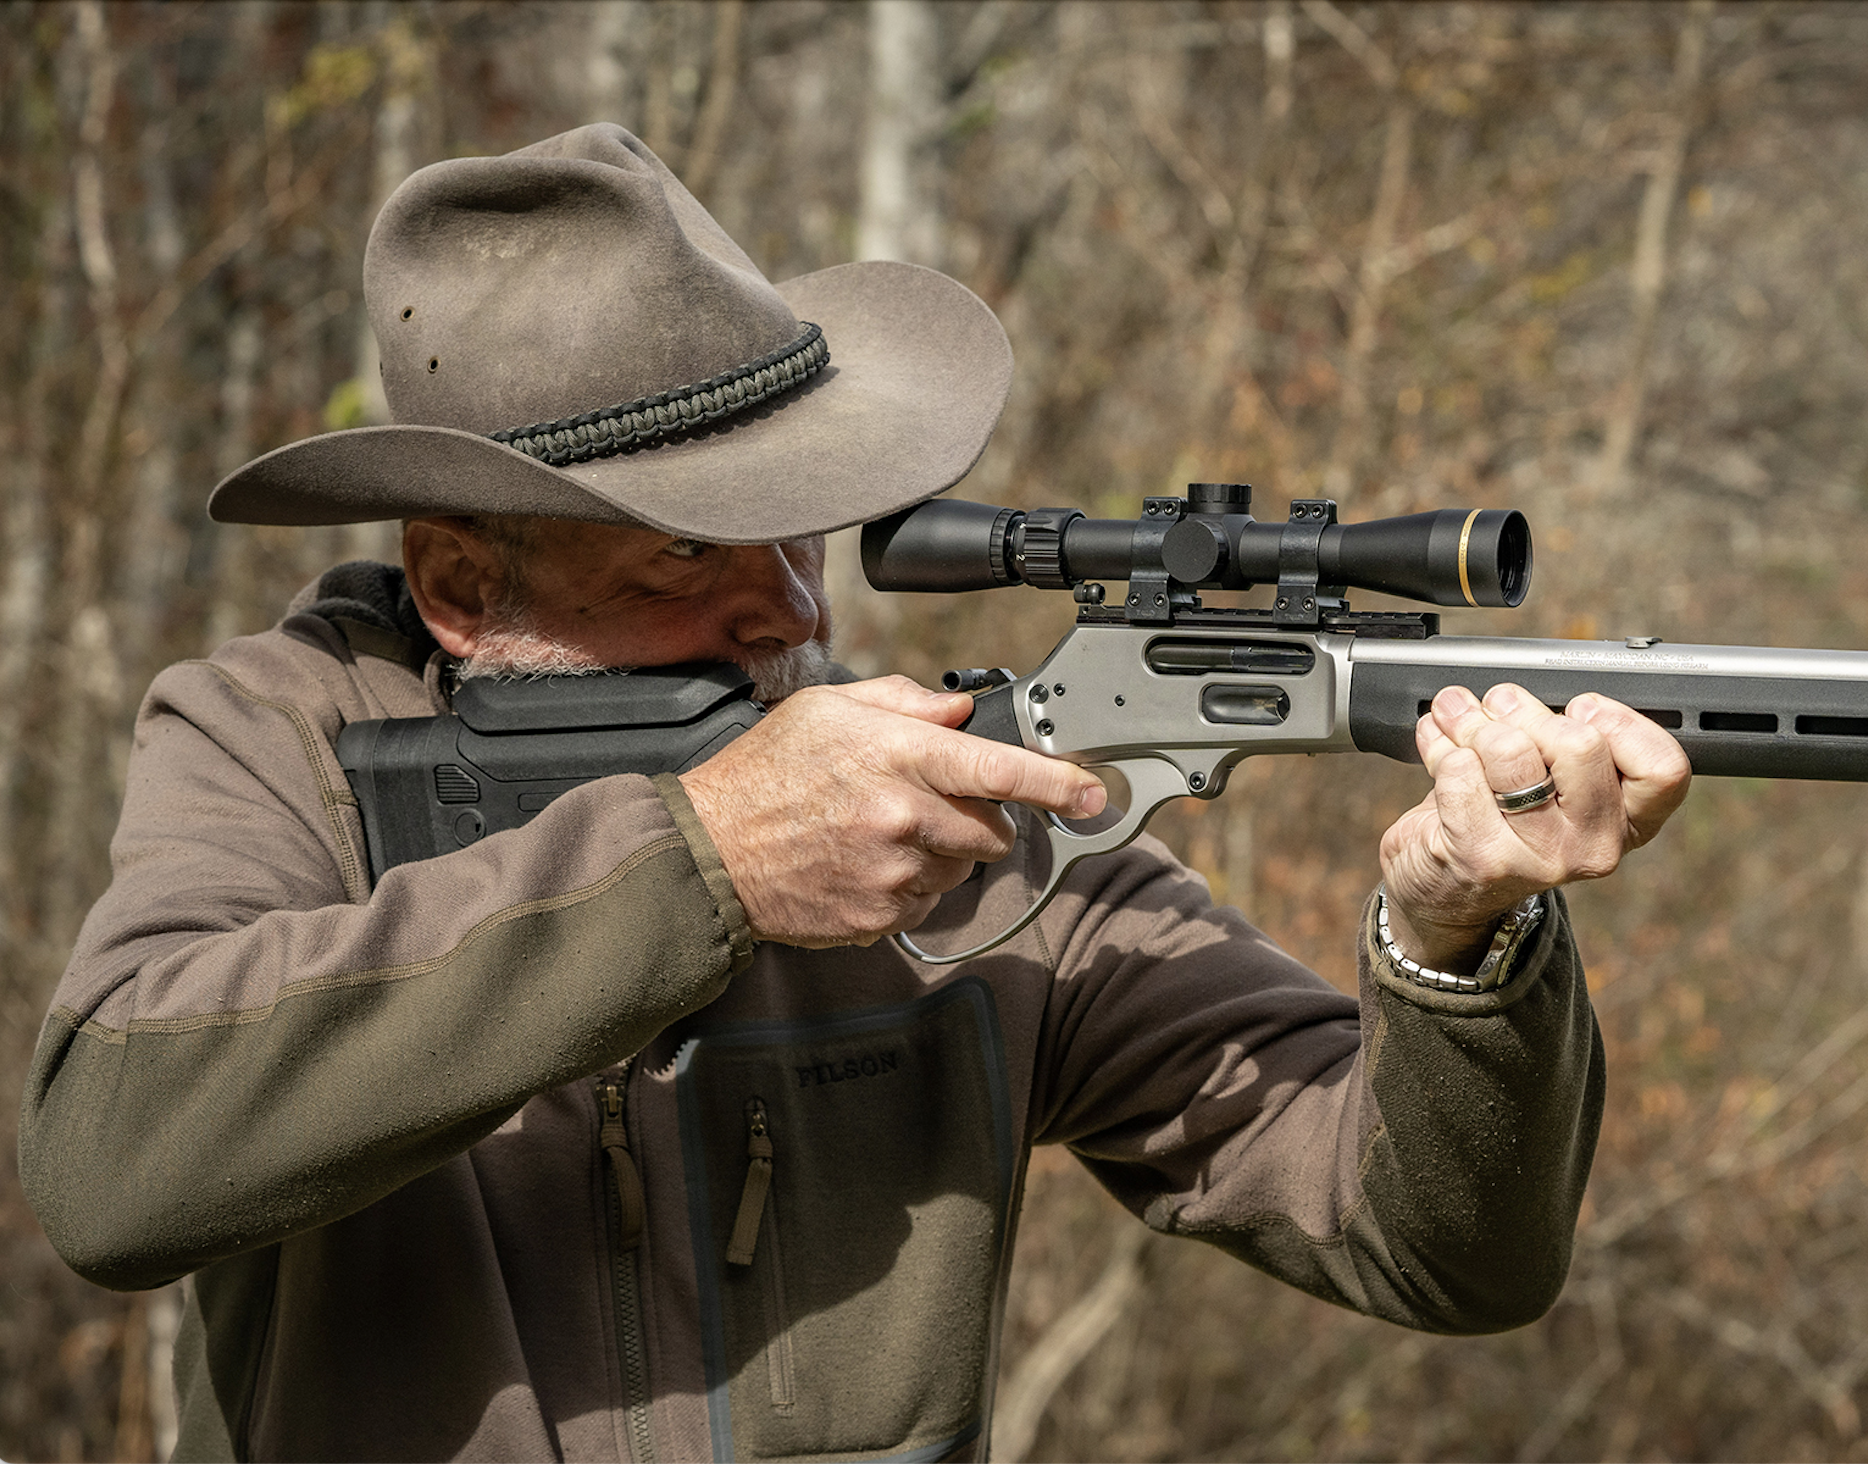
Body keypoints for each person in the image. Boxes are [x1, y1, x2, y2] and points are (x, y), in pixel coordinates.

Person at [20, 125, 1689, 1463]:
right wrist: (704, 868)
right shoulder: (277, 740)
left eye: (802, 532)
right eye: (693, 551)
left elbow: (1438, 1251)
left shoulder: (957, 800)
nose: (793, 615)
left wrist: (1456, 944)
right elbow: (110, 1167)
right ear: (460, 582)